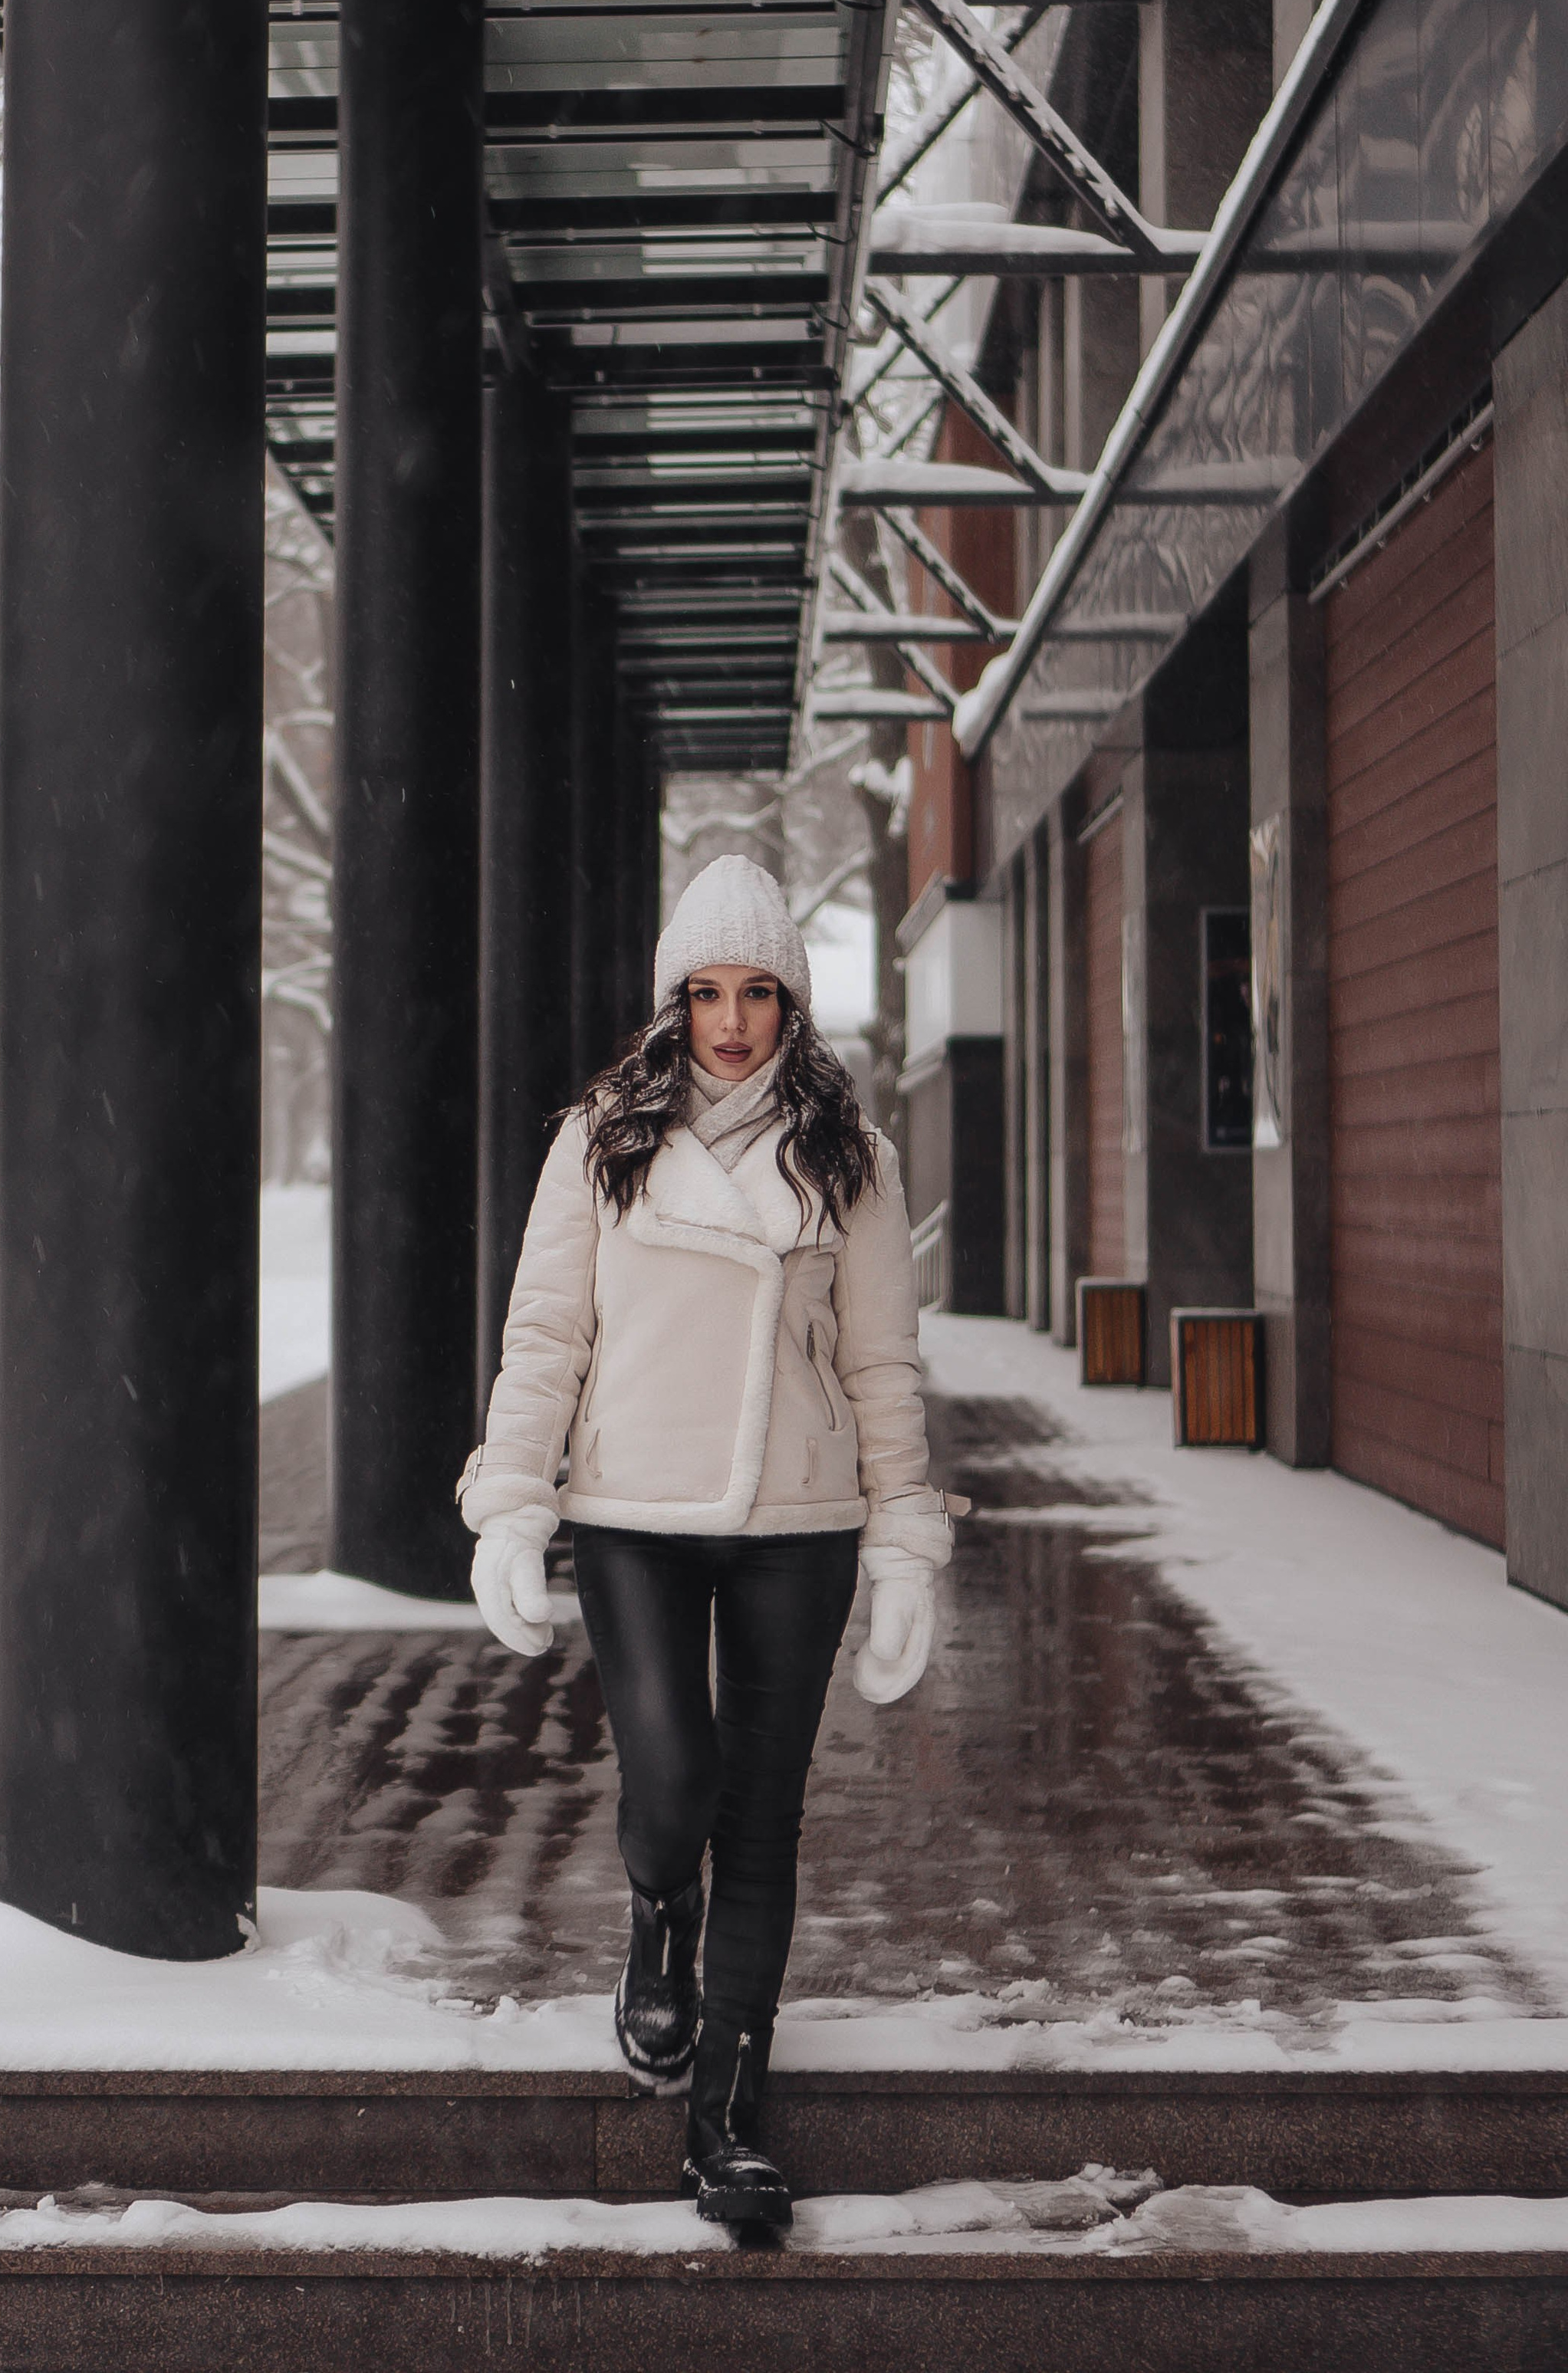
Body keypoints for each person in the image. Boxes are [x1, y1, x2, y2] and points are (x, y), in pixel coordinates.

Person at [457, 854, 958, 2236]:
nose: (730, 1021)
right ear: (672, 999)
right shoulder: (599, 1140)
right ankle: (656, 1911)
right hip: (636, 1516)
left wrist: (906, 1546)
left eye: (755, 992)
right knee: (672, 1785)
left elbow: (882, 1366)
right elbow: (547, 1337)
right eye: (705, 992)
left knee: (763, 1814)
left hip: (800, 1519)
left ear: (790, 1000)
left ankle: (727, 2120)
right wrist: (513, 1499)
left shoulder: (850, 1156)